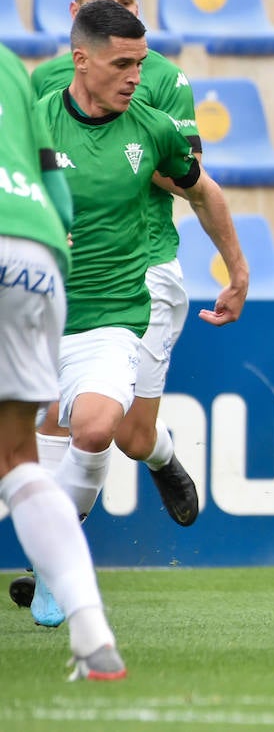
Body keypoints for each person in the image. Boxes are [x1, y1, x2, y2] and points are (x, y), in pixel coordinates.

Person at [24, 0, 249, 629]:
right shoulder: (31, 127)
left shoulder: (152, 129)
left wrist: (238, 270)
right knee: (44, 434)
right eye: (121, 64)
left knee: (99, 430)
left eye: (140, 64)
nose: (133, 76)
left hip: (114, 316)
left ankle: (52, 566)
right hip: (38, 317)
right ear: (81, 59)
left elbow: (202, 191)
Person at [26, 0, 203, 532]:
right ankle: (53, 561)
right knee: (64, 419)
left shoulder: (163, 81)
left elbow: (183, 171)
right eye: (109, 5)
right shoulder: (42, 87)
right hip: (66, 277)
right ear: (79, 18)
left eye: (130, 3)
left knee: (130, 435)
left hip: (146, 264)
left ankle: (161, 453)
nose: (123, 14)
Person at [0, 43, 126, 680]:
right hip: (37, 252)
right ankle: (93, 636)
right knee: (19, 458)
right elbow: (56, 186)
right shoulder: (12, 69)